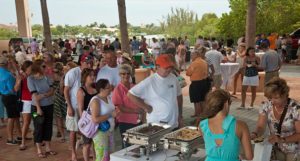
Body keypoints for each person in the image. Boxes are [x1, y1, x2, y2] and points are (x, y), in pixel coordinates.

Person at [128, 54, 183, 128]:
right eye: (166, 67)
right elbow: (131, 94)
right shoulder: (150, 81)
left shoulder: (173, 78)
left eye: (170, 67)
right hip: (157, 124)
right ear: (157, 67)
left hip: (173, 123)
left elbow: (179, 96)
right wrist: (146, 107)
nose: (169, 69)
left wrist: (180, 116)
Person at [251, 78, 300, 161]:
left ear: (285, 94)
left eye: (276, 98)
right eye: (270, 98)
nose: (272, 101)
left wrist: (282, 139)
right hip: (274, 148)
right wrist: (255, 134)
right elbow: (260, 127)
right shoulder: (266, 106)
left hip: (294, 150)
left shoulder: (295, 108)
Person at [199, 89, 253, 161]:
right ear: (226, 103)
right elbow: (249, 156)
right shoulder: (241, 125)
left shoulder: (202, 125)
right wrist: (239, 155)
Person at [64, 55, 94, 161]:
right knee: (73, 130)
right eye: (87, 62)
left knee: (88, 130)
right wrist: (69, 106)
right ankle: (73, 153)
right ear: (81, 62)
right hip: (73, 105)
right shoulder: (72, 72)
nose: (89, 64)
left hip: (87, 108)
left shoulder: (91, 73)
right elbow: (66, 90)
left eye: (91, 62)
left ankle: (86, 148)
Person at [27, 60, 56, 158]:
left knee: (48, 126)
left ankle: (48, 147)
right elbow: (35, 96)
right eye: (43, 66)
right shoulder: (31, 79)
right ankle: (39, 149)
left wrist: (43, 95)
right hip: (36, 108)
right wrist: (39, 108)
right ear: (38, 67)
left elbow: (52, 91)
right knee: (38, 127)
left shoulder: (47, 77)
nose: (46, 68)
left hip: (49, 105)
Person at [112, 64, 144, 148]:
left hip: (137, 121)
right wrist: (136, 111)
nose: (126, 75)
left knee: (138, 145)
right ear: (120, 75)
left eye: (128, 73)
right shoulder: (118, 89)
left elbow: (141, 101)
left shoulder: (134, 86)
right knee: (127, 147)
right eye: (123, 73)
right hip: (125, 122)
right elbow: (120, 108)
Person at [90, 79, 119, 161]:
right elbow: (95, 119)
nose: (111, 89)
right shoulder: (96, 100)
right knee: (102, 157)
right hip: (100, 132)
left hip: (110, 131)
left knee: (111, 156)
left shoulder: (108, 97)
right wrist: (110, 115)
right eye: (108, 87)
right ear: (101, 89)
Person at [0, 56, 22, 145]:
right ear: (6, 64)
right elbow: (13, 90)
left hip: (4, 96)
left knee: (15, 116)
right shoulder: (8, 75)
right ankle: (10, 138)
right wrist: (18, 81)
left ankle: (20, 135)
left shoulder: (3, 72)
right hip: (10, 97)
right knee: (11, 118)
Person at [77, 68, 97, 161]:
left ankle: (95, 159)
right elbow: (80, 109)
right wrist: (83, 123)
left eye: (93, 75)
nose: (93, 77)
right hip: (88, 121)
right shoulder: (81, 91)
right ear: (85, 77)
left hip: (96, 119)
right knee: (87, 144)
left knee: (96, 142)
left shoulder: (96, 89)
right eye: (90, 75)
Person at [186, 47, 210, 117]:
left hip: (196, 84)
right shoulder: (204, 62)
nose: (191, 56)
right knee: (202, 100)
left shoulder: (194, 63)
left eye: (192, 55)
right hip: (204, 82)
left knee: (197, 101)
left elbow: (188, 73)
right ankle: (201, 115)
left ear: (196, 55)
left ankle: (198, 117)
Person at [19, 60, 33, 150]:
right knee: (26, 122)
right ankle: (23, 141)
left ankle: (38, 139)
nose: (32, 69)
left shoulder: (34, 76)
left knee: (36, 119)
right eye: (30, 68)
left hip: (35, 102)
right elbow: (16, 89)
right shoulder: (22, 77)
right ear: (26, 68)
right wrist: (18, 80)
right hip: (26, 102)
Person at [52, 62, 66, 142]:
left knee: (59, 118)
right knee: (59, 118)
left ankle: (63, 136)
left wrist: (61, 82)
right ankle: (62, 135)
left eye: (56, 72)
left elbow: (61, 92)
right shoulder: (61, 78)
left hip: (60, 99)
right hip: (59, 100)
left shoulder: (63, 79)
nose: (54, 74)